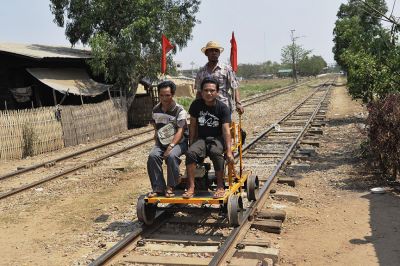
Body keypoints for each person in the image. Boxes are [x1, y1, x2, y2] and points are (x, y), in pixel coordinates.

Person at [183, 77, 234, 199]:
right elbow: (193, 126)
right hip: (201, 138)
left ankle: (220, 186)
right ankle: (191, 187)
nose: (209, 93)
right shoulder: (196, 105)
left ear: (217, 92)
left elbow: (226, 130)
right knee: (190, 153)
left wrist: (229, 150)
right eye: (206, 90)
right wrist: (191, 143)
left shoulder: (223, 108)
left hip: (217, 138)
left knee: (215, 152)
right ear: (201, 92)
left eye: (212, 90)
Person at [147, 80, 188, 198]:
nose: (164, 98)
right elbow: (156, 127)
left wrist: (170, 147)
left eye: (167, 95)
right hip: (162, 143)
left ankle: (171, 186)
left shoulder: (179, 110)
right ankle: (158, 187)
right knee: (153, 156)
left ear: (173, 94)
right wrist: (157, 143)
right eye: (161, 95)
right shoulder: (155, 109)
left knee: (171, 156)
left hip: (179, 142)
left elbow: (180, 131)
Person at [194, 40, 244, 115]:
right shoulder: (201, 72)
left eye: (216, 51)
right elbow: (199, 92)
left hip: (224, 107)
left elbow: (234, 87)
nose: (214, 53)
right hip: (206, 109)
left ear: (219, 53)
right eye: (211, 50)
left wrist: (238, 103)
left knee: (225, 127)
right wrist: (197, 106)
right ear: (206, 53)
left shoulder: (227, 69)